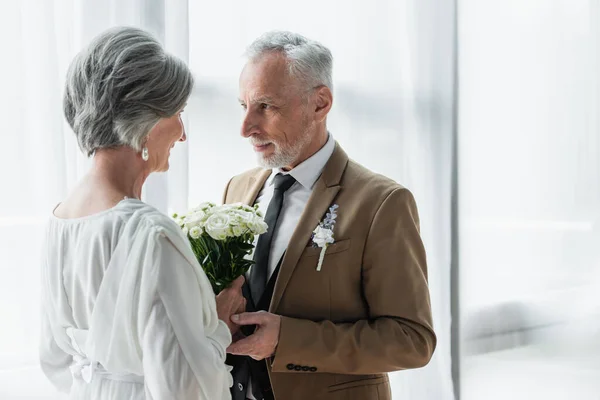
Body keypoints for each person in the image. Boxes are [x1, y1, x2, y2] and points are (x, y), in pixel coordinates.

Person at [223, 31, 437, 400]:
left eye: (265, 107)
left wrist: (287, 340)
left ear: (320, 104)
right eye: (243, 106)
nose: (246, 128)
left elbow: (411, 340)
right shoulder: (237, 189)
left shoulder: (382, 203)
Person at [40, 27, 244, 399]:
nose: (182, 135)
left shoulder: (60, 219)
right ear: (146, 122)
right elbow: (186, 387)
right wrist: (217, 327)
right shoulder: (150, 234)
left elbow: (54, 360)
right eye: (178, 113)